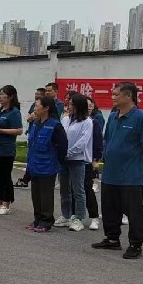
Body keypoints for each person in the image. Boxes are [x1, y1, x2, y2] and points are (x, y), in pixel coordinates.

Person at [92, 81, 143, 259]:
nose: (113, 97)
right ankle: (112, 238)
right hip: (110, 173)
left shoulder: (141, 118)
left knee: (133, 212)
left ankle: (135, 244)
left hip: (129, 175)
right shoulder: (113, 116)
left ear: (129, 96)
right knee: (110, 208)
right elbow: (107, 140)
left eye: (116, 94)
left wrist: (131, 156)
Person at [25, 95, 68, 232]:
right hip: (34, 164)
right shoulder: (35, 124)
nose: (34, 108)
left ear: (46, 108)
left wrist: (57, 162)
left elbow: (63, 147)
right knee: (36, 195)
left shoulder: (55, 126)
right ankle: (37, 219)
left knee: (46, 195)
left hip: (47, 165)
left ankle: (46, 220)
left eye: (37, 106)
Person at [57, 93, 93, 232]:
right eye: (69, 103)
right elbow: (61, 136)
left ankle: (79, 217)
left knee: (78, 189)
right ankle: (66, 215)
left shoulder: (87, 122)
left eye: (72, 104)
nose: (69, 106)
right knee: (64, 189)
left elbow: (83, 141)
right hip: (63, 159)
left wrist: (70, 153)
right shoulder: (65, 119)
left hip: (77, 159)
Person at [0, 85, 24, 215]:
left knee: (5, 177)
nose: (1, 97)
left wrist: (1, 130)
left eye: (4, 95)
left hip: (6, 150)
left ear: (11, 97)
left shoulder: (14, 112)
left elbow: (19, 130)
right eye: (0, 94)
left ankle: (6, 204)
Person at [15, 86, 46, 189]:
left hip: (41, 134)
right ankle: (27, 178)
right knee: (30, 156)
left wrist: (35, 116)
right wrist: (33, 117)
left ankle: (29, 178)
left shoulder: (48, 105)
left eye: (39, 94)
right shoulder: (33, 105)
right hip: (32, 132)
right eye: (36, 94)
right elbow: (29, 117)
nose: (36, 96)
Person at [84, 97, 104, 230]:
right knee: (72, 189)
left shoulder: (94, 122)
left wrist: (95, 159)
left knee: (87, 189)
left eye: (90, 105)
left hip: (87, 160)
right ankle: (73, 215)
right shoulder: (70, 120)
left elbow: (98, 142)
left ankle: (94, 217)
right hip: (73, 160)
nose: (89, 107)